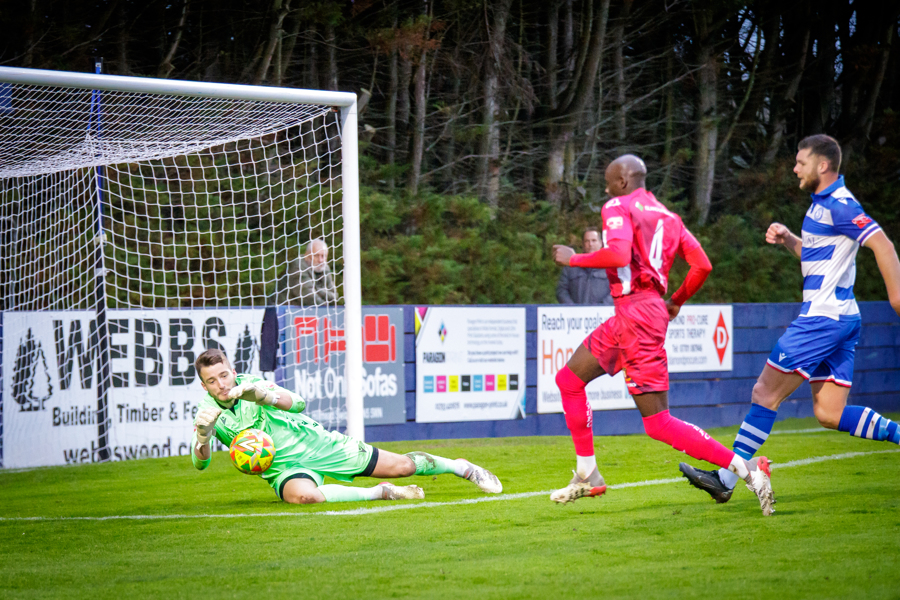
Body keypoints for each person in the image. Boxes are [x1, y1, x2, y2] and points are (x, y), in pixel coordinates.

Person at [679, 134, 900, 505]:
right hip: (841, 317)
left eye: (801, 162)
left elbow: (883, 245)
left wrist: (896, 297)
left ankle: (724, 479)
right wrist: (788, 240)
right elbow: (816, 258)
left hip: (822, 319)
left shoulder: (841, 204)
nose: (795, 168)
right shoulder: (819, 207)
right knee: (830, 413)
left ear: (823, 165)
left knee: (764, 393)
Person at [549, 154, 775, 515]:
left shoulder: (616, 206)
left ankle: (748, 471)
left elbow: (620, 253)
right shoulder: (669, 217)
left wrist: (573, 258)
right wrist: (676, 301)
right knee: (568, 380)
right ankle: (587, 472)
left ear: (623, 182)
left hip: (636, 315)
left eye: (608, 182)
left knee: (658, 424)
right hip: (641, 312)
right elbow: (702, 265)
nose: (606, 189)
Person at [191, 348, 502, 504]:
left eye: (224, 375)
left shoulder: (250, 384)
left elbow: (298, 404)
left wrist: (264, 396)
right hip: (283, 468)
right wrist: (203, 438)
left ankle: (460, 467)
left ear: (232, 371)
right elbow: (200, 464)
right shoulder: (207, 414)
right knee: (304, 497)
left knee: (404, 466)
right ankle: (381, 493)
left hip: (317, 444)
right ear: (204, 386)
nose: (221, 384)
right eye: (212, 381)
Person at [557, 227, 614, 305]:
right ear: (583, 243)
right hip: (574, 315)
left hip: (603, 315)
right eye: (587, 241)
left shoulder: (611, 266)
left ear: (601, 243)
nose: (590, 244)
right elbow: (561, 290)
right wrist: (571, 308)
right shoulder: (570, 266)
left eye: (594, 240)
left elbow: (617, 289)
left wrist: (602, 307)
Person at [275, 239, 338, 305]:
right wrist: (327, 308)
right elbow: (308, 297)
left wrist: (318, 290)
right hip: (282, 310)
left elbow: (334, 296)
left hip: (307, 310)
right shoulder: (298, 266)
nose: (320, 260)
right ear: (307, 255)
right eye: (316, 255)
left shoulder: (325, 268)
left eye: (323, 256)